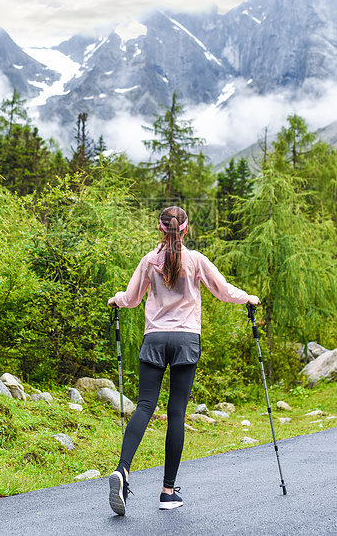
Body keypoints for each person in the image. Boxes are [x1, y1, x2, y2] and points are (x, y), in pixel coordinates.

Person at [107, 206, 260, 515]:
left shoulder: (149, 260)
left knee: (145, 406)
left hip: (155, 338)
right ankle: (167, 492)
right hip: (186, 340)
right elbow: (223, 291)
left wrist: (117, 300)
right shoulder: (196, 260)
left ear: (160, 229)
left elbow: (133, 298)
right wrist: (248, 298)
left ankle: (122, 471)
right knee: (176, 412)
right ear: (185, 229)